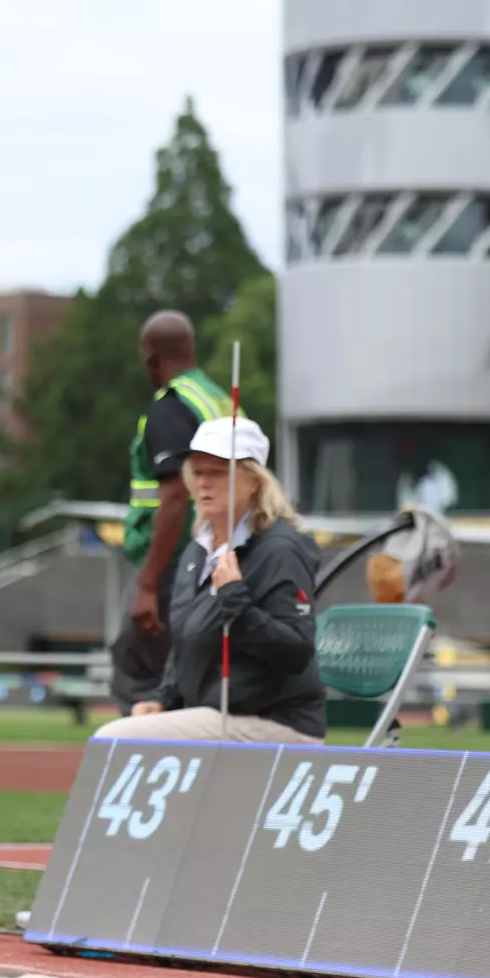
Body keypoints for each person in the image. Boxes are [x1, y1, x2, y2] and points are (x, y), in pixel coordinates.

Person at [94, 417, 325, 745]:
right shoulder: (198, 550)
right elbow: (186, 646)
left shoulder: (279, 550)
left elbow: (295, 652)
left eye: (217, 473)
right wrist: (163, 699)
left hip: (275, 722)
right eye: (197, 472)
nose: (203, 483)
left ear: (254, 481)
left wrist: (235, 599)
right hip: (213, 714)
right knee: (127, 735)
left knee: (115, 740)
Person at [111, 312, 237, 718]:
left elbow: (175, 497)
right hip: (221, 550)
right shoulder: (218, 399)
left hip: (176, 560)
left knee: (139, 667)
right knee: (189, 668)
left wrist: (148, 583)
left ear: (151, 357)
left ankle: (142, 750)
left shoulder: (171, 407)